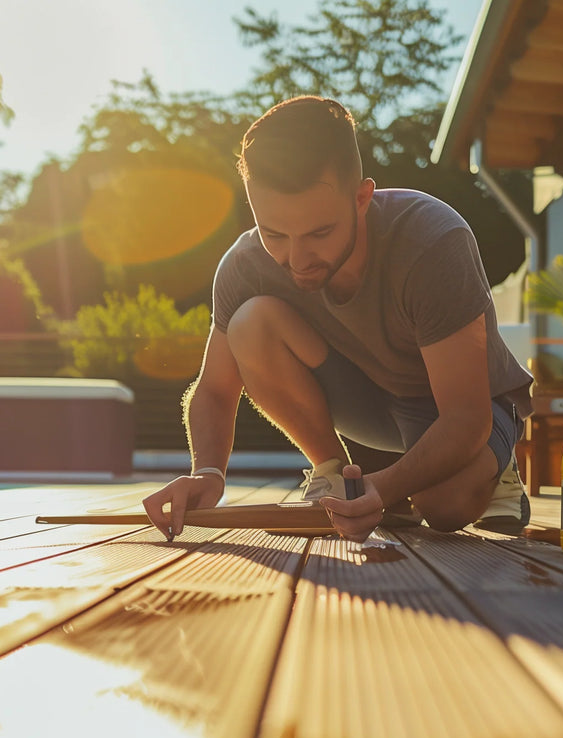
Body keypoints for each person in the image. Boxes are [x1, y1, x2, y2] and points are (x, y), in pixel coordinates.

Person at [142, 95, 533, 543]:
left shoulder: (432, 241)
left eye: (320, 232)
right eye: (274, 233)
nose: (296, 259)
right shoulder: (245, 265)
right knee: (249, 323)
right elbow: (213, 389)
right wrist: (207, 473)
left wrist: (380, 490)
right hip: (367, 405)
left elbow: (465, 417)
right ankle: (333, 475)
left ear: (362, 198)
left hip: (459, 409)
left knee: (443, 508)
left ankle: (496, 469)